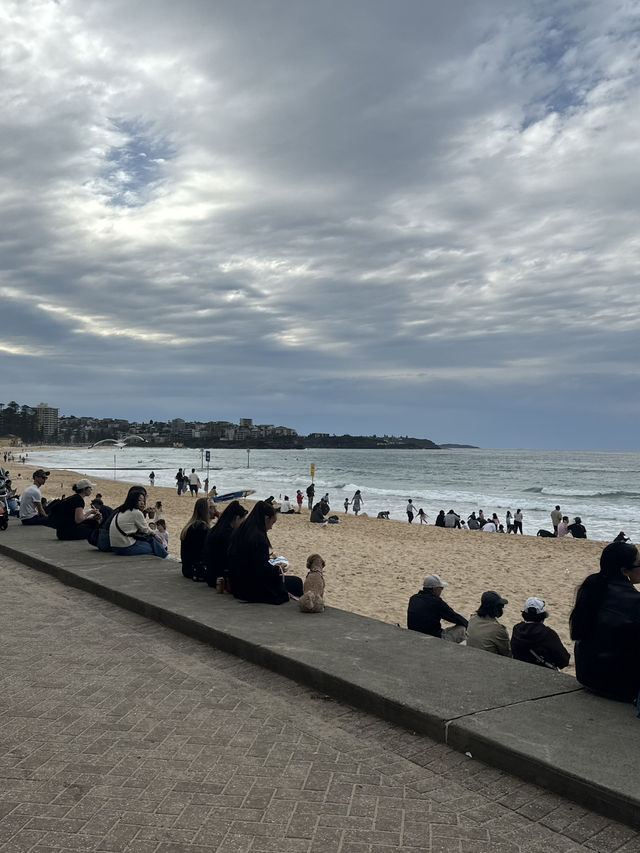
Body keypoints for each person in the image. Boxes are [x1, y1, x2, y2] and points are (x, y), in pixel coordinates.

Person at [570, 541, 640, 702]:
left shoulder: (591, 585)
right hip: (618, 684)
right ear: (624, 571)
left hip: (587, 674)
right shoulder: (634, 601)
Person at [227, 500, 303, 604]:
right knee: (297, 582)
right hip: (251, 589)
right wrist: (277, 569)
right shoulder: (258, 538)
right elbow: (261, 571)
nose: (271, 527)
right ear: (267, 519)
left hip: (237, 585)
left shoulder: (241, 531)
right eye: (272, 522)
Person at [511, 597, 570, 670]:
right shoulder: (548, 634)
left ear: (524, 614)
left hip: (519, 670)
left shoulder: (517, 629)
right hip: (542, 673)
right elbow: (564, 661)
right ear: (543, 616)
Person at [407, 574, 468, 642]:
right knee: (462, 628)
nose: (441, 591)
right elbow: (454, 617)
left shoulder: (413, 598)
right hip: (432, 639)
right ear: (435, 589)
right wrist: (469, 625)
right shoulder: (436, 602)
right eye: (441, 588)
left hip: (412, 634)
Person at [109, 488, 168, 558]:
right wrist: (155, 534)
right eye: (139, 500)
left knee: (154, 544)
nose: (142, 503)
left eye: (143, 500)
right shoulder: (136, 512)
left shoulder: (122, 510)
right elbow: (145, 530)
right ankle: (166, 555)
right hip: (125, 547)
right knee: (154, 547)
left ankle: (165, 554)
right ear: (133, 501)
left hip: (115, 547)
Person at [204, 500, 248, 588]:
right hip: (221, 578)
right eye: (242, 521)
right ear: (236, 518)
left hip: (211, 575)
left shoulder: (216, 529)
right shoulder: (228, 534)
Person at [180, 496, 215, 580]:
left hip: (188, 568)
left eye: (215, 506)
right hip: (195, 570)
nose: (215, 509)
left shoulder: (192, 525)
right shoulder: (200, 528)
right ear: (204, 511)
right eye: (211, 507)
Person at [466, 591, 511, 656]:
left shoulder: (473, 619)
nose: (502, 608)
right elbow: (507, 654)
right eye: (500, 606)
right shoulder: (498, 630)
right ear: (493, 608)